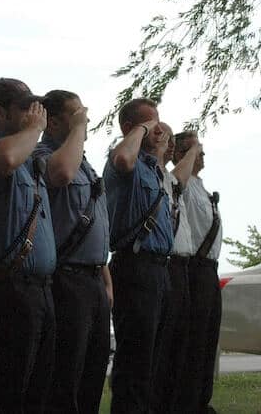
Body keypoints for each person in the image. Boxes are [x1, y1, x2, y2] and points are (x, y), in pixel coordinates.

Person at [0, 79, 56, 413]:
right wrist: (34, 131)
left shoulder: (31, 158)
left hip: (40, 289)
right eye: (26, 108)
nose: (36, 115)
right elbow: (5, 159)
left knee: (38, 391)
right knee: (10, 390)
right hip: (9, 286)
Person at [33, 90, 111, 414]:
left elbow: (97, 227)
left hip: (93, 280)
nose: (85, 119)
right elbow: (61, 175)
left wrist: (105, 279)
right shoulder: (44, 154)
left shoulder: (85, 162)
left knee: (93, 373)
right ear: (52, 122)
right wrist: (78, 128)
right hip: (67, 278)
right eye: (76, 113)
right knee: (66, 374)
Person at [103, 98, 173, 414]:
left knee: (155, 360)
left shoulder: (150, 168)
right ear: (130, 128)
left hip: (160, 269)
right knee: (134, 359)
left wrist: (157, 147)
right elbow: (122, 157)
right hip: (136, 267)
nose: (157, 128)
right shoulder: (122, 161)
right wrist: (140, 130)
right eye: (149, 123)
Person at [150, 123, 199, 412]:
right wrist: (189, 149)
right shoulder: (148, 174)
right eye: (163, 139)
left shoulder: (168, 179)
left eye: (171, 140)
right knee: (158, 346)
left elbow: (179, 176)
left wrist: (192, 150)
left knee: (178, 343)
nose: (167, 144)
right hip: (161, 264)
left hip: (177, 266)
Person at [174, 131, 223, 414]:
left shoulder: (200, 186)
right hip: (196, 268)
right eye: (197, 151)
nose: (202, 156)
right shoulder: (183, 185)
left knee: (208, 339)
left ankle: (201, 402)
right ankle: (189, 402)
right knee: (194, 340)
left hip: (209, 270)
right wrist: (188, 153)